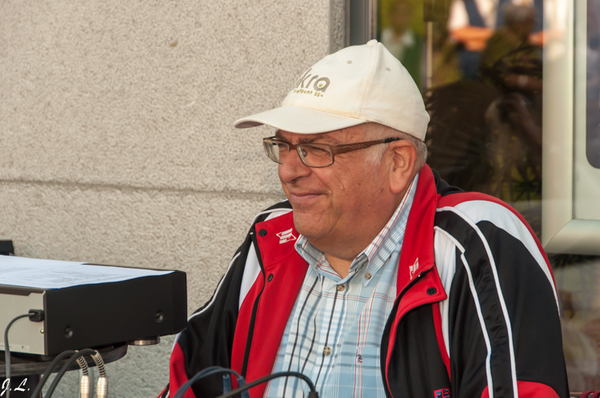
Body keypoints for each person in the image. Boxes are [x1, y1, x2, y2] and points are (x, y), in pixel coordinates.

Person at [159, 40, 569, 398]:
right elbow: (190, 380)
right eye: (283, 146)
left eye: (317, 149)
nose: (288, 170)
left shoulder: (478, 243)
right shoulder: (274, 236)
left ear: (397, 163)